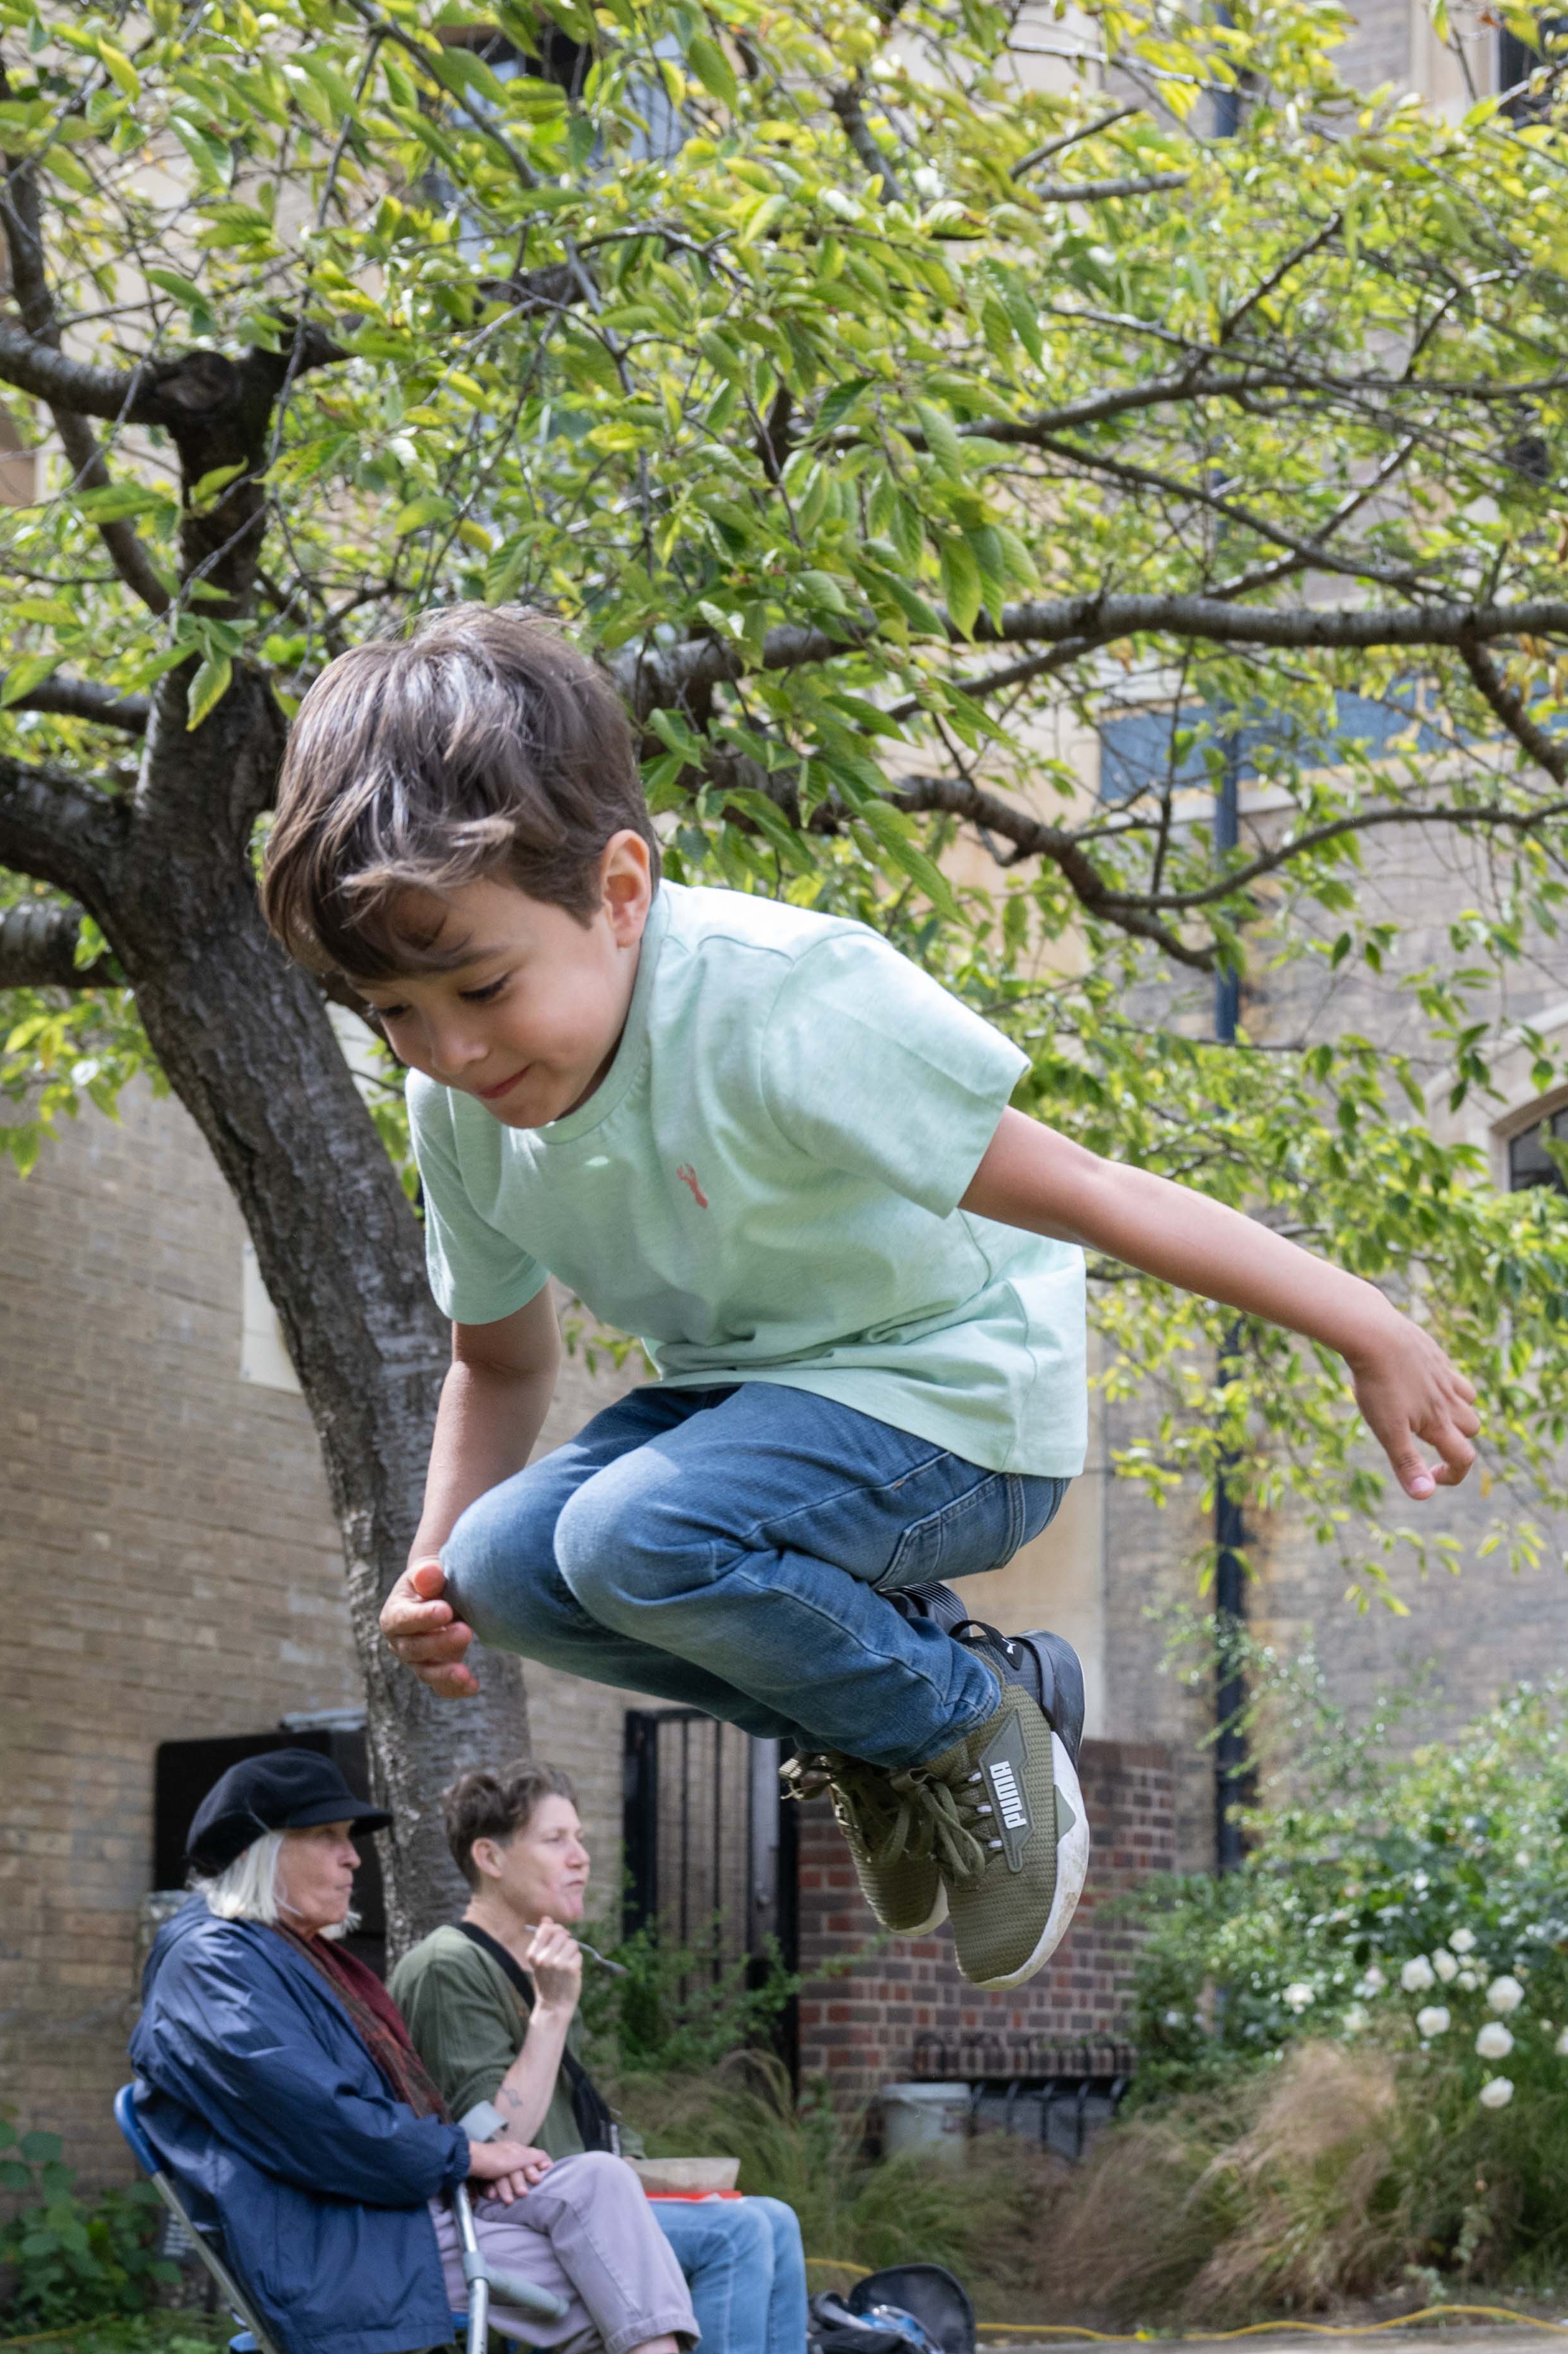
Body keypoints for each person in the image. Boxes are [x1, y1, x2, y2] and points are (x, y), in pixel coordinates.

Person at [257, 605, 1488, 1993]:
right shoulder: (457, 1109)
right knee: (505, 1570)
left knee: (627, 1534)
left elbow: (1092, 1189)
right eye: (395, 1012)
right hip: (749, 1404)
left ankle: (970, 1718)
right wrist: (428, 1564)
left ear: (619, 892)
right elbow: (497, 1359)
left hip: (957, 1399)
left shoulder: (780, 1001)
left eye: (482, 985)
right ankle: (873, 1728)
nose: (450, 1049)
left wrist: (1360, 1321)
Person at [125, 1749, 811, 2354]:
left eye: (350, 1838)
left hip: (378, 2220)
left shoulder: (286, 1957)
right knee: (597, 2265)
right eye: (329, 1837)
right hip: (329, 2243)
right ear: (261, 1851)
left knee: (597, 2183)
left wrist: (474, 2161)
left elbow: (357, 2123)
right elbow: (318, 2119)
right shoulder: (213, 1962)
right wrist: (467, 2154)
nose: (352, 1858)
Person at [391, 1763, 858, 2354]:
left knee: (771, 2218)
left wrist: (660, 2172)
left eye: (580, 1838)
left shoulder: (536, 1960)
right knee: (739, 2237)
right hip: (514, 2229)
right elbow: (494, 2137)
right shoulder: (448, 1967)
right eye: (555, 1840)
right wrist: (552, 2013)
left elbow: (570, 2126)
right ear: (489, 1857)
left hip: (579, 2207)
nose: (581, 1857)